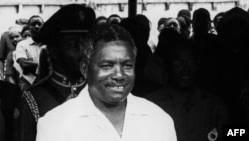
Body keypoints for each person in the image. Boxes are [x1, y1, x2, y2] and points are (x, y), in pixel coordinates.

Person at [36, 24, 177, 141]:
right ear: (85, 69)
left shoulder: (158, 119)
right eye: (107, 66)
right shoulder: (55, 124)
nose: (119, 75)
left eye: (127, 65)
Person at [15, 4, 95, 141]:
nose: (83, 52)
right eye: (73, 45)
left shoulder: (99, 91)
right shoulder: (33, 100)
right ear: (54, 52)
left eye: (85, 44)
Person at [146, 37, 228, 141]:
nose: (186, 69)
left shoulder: (214, 106)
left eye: (191, 63)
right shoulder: (151, 105)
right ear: (168, 66)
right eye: (178, 64)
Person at [14, 15, 45, 91]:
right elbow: (24, 65)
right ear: (29, 27)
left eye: (39, 24)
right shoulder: (22, 45)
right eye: (33, 24)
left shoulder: (49, 44)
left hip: (47, 84)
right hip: (28, 84)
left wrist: (32, 64)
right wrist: (45, 67)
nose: (37, 26)